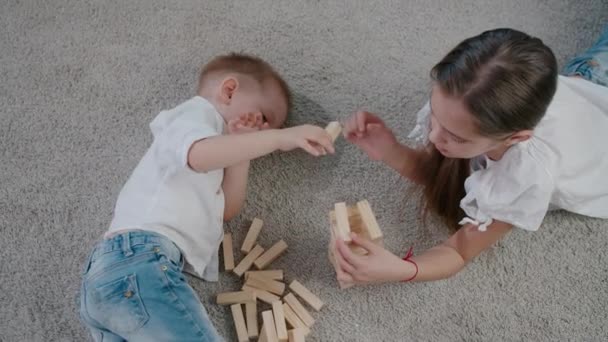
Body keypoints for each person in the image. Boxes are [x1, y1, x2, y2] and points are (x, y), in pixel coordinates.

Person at [79, 53, 335, 341]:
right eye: (264, 119)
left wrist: (244, 152)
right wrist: (282, 138)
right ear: (229, 91)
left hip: (117, 280)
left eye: (270, 132)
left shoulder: (216, 155)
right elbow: (198, 156)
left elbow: (226, 209)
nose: (264, 136)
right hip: (139, 259)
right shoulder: (196, 114)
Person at [335, 27, 608, 286]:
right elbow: (435, 169)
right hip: (583, 80)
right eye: (435, 114)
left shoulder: (526, 176)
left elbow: (459, 251)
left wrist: (404, 269)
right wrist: (389, 150)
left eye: (456, 137)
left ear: (514, 138)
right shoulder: (460, 101)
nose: (433, 137)